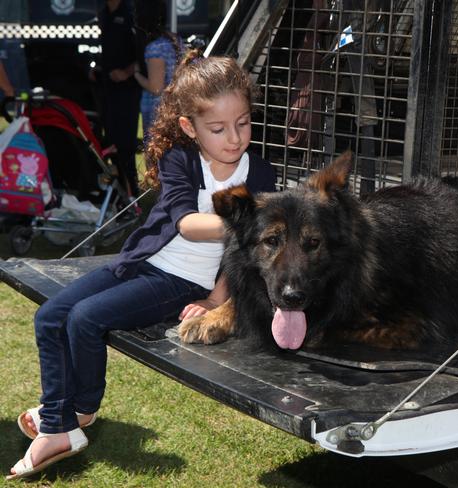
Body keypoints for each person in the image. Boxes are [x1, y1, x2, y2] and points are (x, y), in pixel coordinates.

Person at [7, 50, 277, 480]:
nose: (234, 138)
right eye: (218, 128)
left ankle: (78, 415)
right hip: (140, 262)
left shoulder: (259, 173)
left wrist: (215, 300)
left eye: (243, 123)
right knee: (49, 316)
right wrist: (251, 223)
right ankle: (59, 420)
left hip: (183, 282)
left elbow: (243, 257)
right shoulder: (180, 160)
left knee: (85, 319)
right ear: (190, 127)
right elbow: (186, 224)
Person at [95, 0, 141, 197]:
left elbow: (144, 52)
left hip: (127, 91)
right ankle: (118, 190)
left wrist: (126, 72)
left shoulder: (132, 14)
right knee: (109, 141)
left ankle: (133, 194)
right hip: (107, 90)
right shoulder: (104, 13)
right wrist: (99, 68)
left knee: (125, 145)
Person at [133, 0, 183, 140]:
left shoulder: (155, 47)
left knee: (156, 157)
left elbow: (156, 88)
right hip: (174, 108)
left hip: (157, 113)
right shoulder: (174, 39)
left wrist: (136, 74)